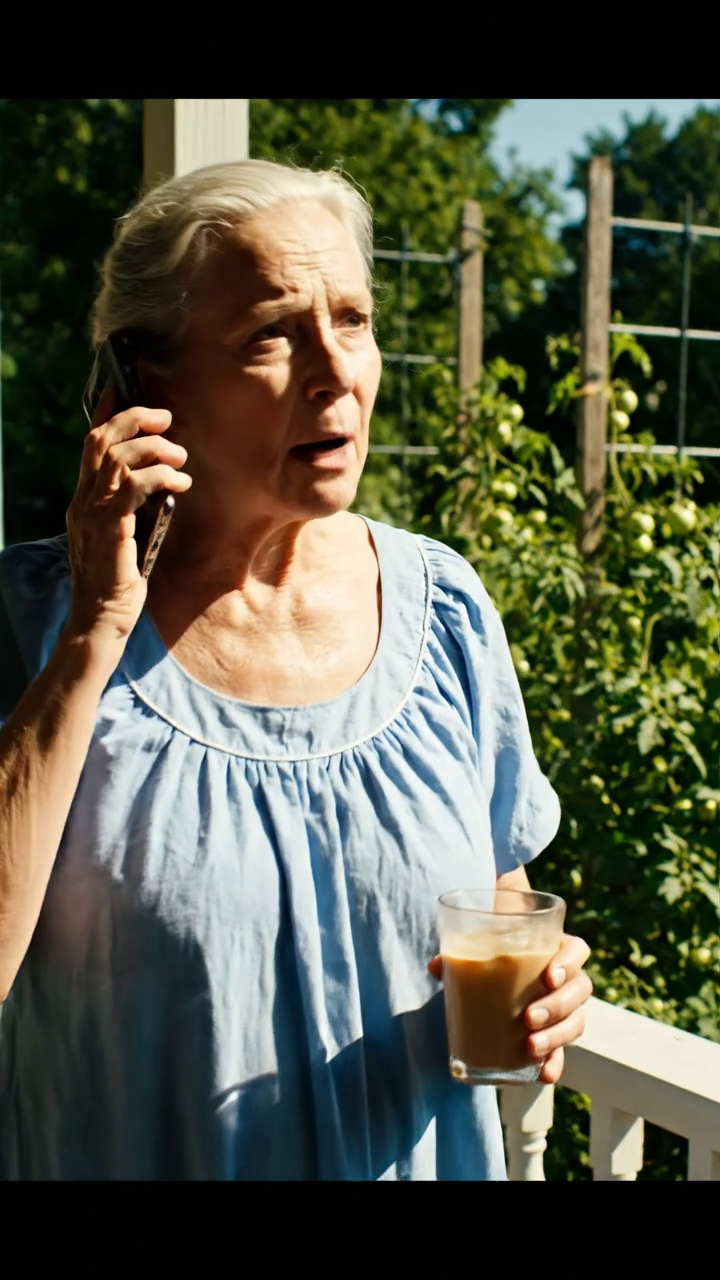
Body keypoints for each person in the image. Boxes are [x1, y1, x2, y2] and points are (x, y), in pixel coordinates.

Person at [0, 159, 592, 1181]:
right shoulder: (31, 625)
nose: (336, 372)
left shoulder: (444, 608)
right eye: (274, 331)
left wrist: (551, 986)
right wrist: (99, 627)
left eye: (353, 319)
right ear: (149, 382)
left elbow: (503, 902)